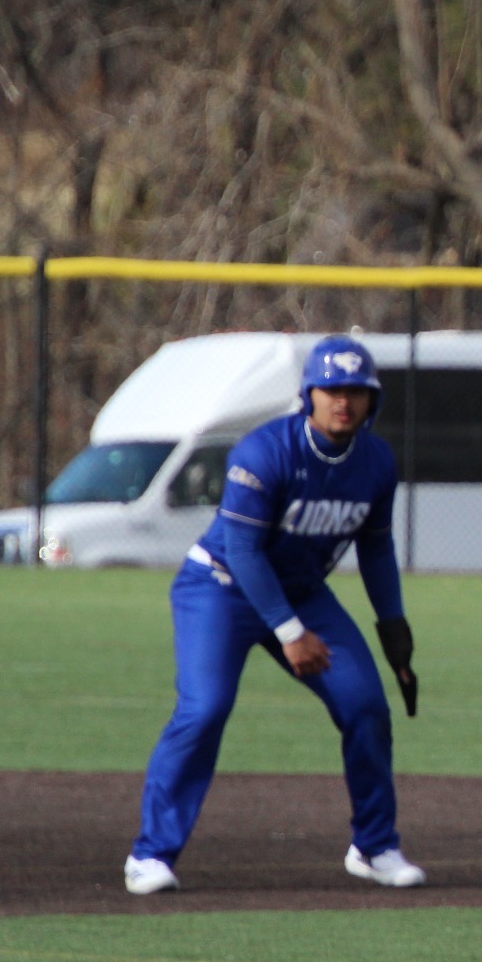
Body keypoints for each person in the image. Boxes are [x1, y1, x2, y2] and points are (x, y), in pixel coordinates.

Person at [122, 336, 425, 895]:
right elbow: (243, 550)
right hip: (220, 587)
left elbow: (376, 547)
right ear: (309, 395)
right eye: (331, 389)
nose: (343, 401)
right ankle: (151, 854)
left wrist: (393, 627)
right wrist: (290, 632)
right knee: (205, 708)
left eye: (356, 391)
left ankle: (374, 846)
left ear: (372, 400)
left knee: (365, 706)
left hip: (302, 592)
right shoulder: (263, 452)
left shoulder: (376, 461)